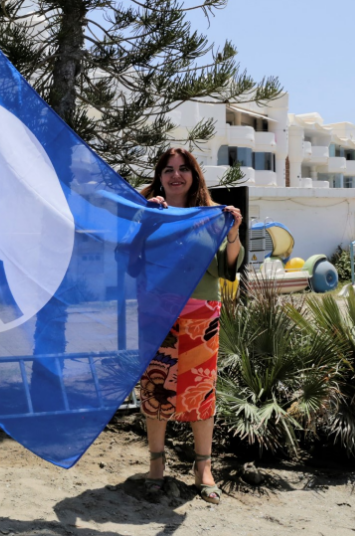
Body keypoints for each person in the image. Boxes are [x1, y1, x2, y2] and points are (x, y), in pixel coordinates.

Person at [138, 148, 243, 505]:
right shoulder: (150, 214)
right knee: (156, 392)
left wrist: (232, 234)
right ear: (160, 176)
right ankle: (156, 466)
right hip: (158, 314)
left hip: (201, 315)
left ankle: (203, 468)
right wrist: (147, 221)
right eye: (168, 169)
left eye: (183, 169)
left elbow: (228, 269)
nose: (176, 175)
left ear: (194, 175)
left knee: (200, 393)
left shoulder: (210, 217)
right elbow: (133, 262)